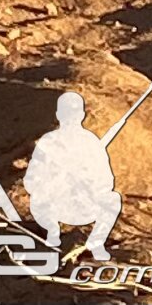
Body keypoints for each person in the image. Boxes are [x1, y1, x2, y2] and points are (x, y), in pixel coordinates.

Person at [26, 90, 125, 260]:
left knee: (113, 199)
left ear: (81, 115)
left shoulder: (91, 142)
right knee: (39, 197)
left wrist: (89, 182)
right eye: (66, 113)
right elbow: (31, 180)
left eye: (73, 113)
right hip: (55, 205)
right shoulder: (48, 142)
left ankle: (96, 243)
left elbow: (106, 180)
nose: (70, 118)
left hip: (84, 206)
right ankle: (52, 233)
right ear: (59, 115)